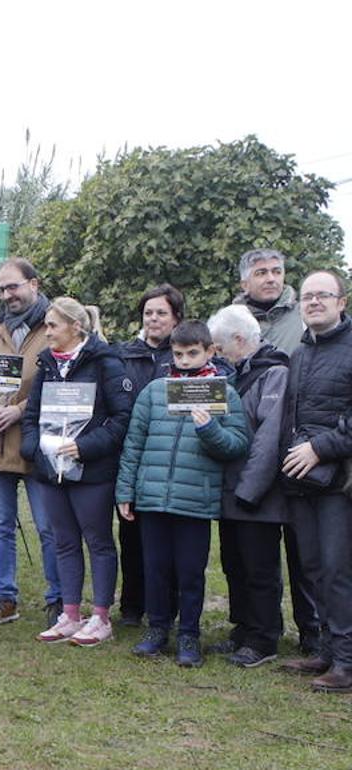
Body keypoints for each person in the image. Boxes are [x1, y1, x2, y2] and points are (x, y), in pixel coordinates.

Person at [116, 320, 248, 668]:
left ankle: (189, 633)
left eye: (192, 353)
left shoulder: (224, 394)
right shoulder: (154, 391)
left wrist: (209, 429)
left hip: (195, 501)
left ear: (210, 352)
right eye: (178, 354)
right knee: (155, 568)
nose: (185, 360)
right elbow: (134, 444)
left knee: (190, 572)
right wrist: (126, 490)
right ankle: (157, 628)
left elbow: (237, 444)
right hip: (153, 497)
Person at [20, 298, 131, 646]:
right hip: (51, 469)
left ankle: (101, 617)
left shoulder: (105, 362)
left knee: (98, 541)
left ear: (76, 327)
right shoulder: (47, 364)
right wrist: (33, 449)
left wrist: (85, 447)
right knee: (64, 541)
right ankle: (69, 614)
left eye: (53, 325)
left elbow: (122, 418)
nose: (47, 332)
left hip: (92, 471)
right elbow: (31, 415)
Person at [0, 258, 63, 628]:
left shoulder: (54, 324)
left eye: (13, 286)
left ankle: (59, 600)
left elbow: (60, 384)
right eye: (2, 289)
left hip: (37, 443)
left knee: (48, 527)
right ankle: (4, 598)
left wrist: (19, 411)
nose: (7, 295)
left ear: (34, 284)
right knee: (0, 525)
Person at [231, 248, 320, 655]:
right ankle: (251, 626)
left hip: (302, 449)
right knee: (251, 555)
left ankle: (313, 633)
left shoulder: (303, 315)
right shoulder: (231, 318)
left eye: (276, 271)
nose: (270, 278)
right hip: (257, 451)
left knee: (305, 554)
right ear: (244, 281)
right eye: (261, 272)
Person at [277, 271, 352, 692]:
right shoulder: (301, 353)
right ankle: (326, 650)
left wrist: (320, 448)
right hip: (302, 478)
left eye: (323, 295)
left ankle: (347, 662)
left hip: (340, 482)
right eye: (307, 297)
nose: (314, 302)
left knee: (339, 569)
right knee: (314, 567)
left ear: (342, 302)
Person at [206, 305, 290, 668]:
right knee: (234, 565)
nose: (217, 354)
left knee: (259, 570)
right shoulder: (237, 375)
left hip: (258, 496)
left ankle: (263, 637)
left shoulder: (275, 373)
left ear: (240, 340)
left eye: (220, 347)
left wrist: (250, 491)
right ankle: (242, 629)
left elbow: (269, 439)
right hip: (232, 492)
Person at [114, 283, 184, 626]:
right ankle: (131, 605)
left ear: (176, 318)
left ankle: (167, 606)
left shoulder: (183, 356)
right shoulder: (124, 354)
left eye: (161, 313)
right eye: (148, 313)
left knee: (168, 539)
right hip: (131, 456)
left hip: (170, 459)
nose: (154, 319)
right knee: (130, 535)